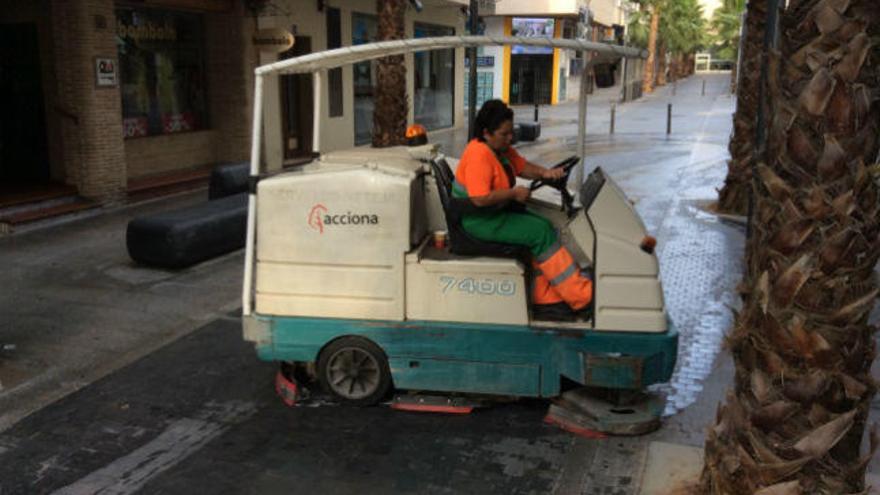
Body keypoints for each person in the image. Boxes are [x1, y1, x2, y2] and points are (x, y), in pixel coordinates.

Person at [453, 99, 593, 318]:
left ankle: (545, 297)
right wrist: (514, 193)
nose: (510, 138)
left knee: (545, 224)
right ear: (487, 133)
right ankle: (581, 297)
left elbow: (522, 167)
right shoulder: (479, 154)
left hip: (495, 213)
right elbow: (479, 198)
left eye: (511, 132)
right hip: (481, 221)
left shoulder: (499, 149)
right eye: (504, 134)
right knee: (541, 233)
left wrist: (546, 173)